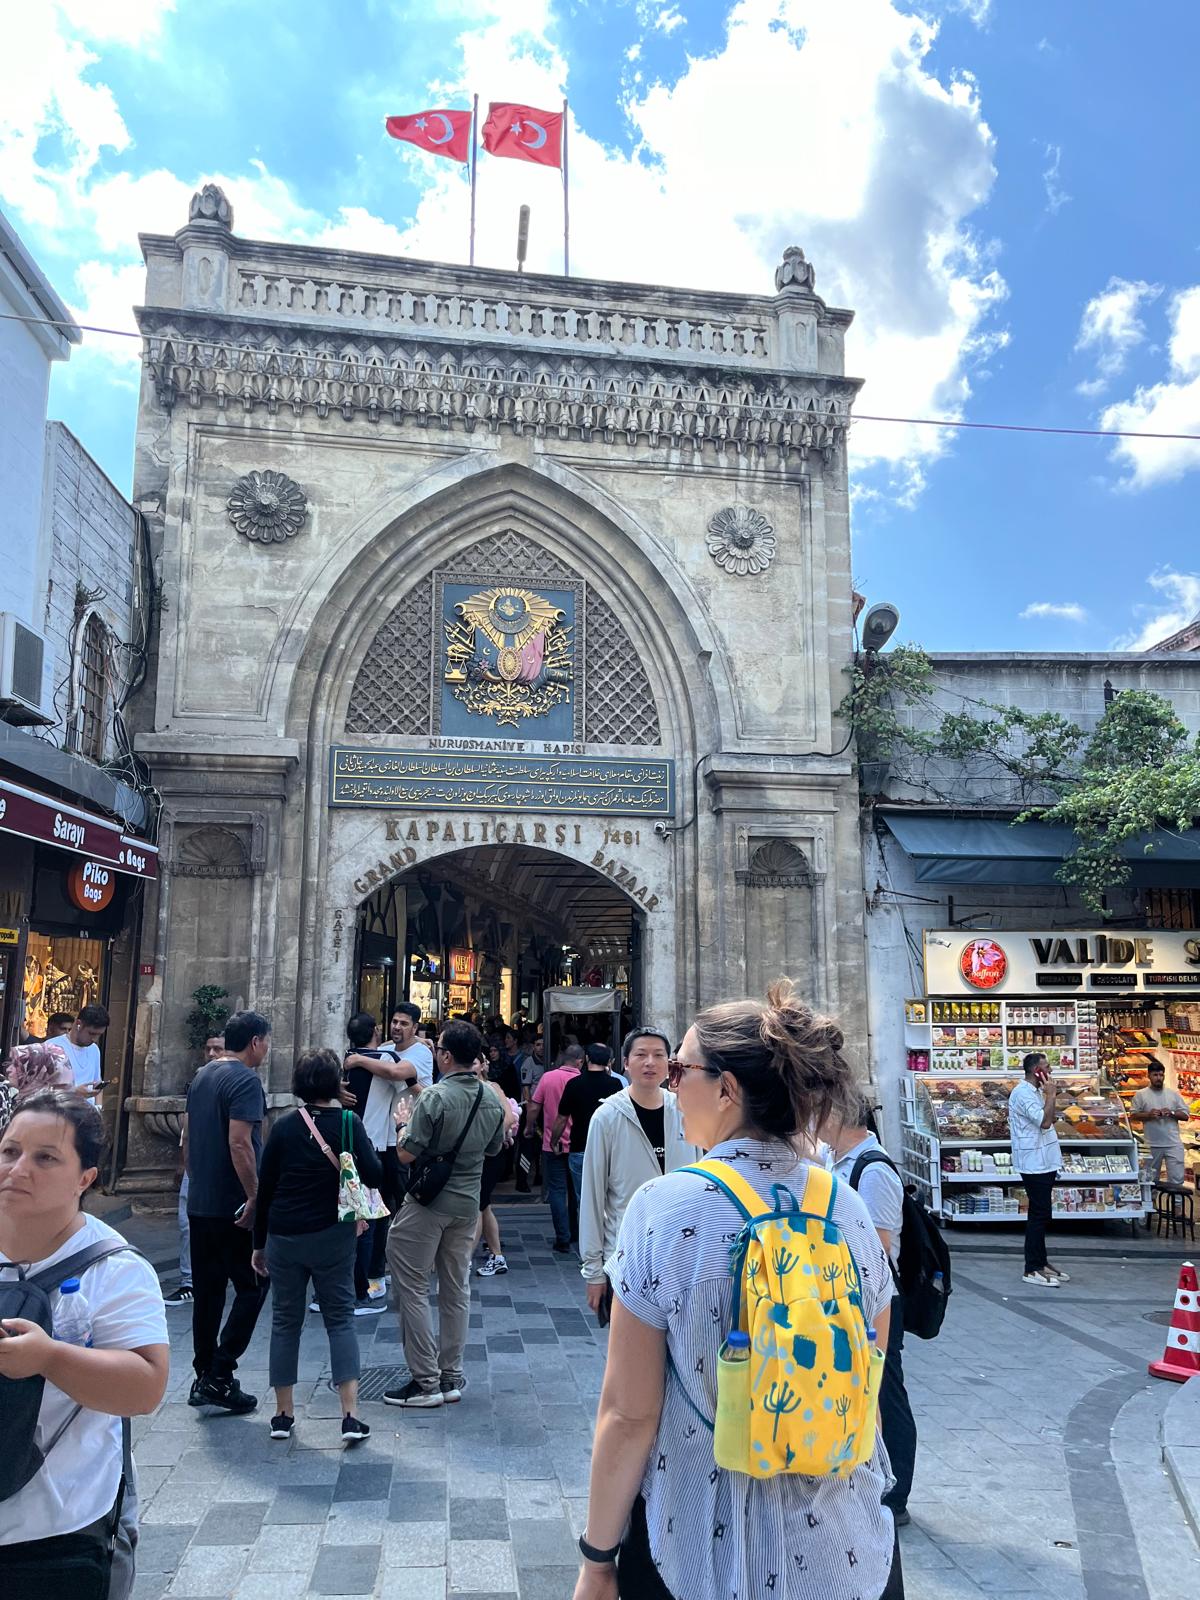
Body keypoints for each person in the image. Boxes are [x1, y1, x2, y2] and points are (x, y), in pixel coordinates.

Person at [572, 983, 899, 1600]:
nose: (672, 1087)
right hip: (849, 1552)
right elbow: (867, 1384)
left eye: (680, 1071)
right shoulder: (848, 1209)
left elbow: (629, 1414)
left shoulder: (663, 1210)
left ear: (726, 1089)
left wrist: (597, 1559)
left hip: (702, 1553)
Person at [0, 1089, 169, 1598]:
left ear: (85, 1178)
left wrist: (48, 1357)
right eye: (10, 1151)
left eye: (45, 1158)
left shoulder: (115, 1271)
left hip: (56, 1533)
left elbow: (145, 1387)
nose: (18, 1169)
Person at [251, 1049, 380, 1444]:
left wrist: (258, 1244)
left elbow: (265, 1189)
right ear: (335, 1084)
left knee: (285, 1321)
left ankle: (282, 1414)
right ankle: (350, 1415)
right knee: (340, 1319)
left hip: (284, 1235)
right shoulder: (348, 1123)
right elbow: (375, 1174)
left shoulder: (284, 1127)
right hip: (332, 1234)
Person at [385, 1020, 506, 1408]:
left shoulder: (435, 1097)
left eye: (437, 1048)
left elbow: (406, 1153)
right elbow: (494, 1149)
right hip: (467, 1204)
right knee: (456, 1289)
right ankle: (451, 1374)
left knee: (412, 1285)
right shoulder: (491, 1097)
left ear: (447, 1056)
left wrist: (402, 1126)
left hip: (428, 1202)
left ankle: (425, 1381)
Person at [825, 1095, 916, 1527]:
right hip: (847, 1295)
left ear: (838, 1115)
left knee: (885, 1391)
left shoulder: (874, 1169)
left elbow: (877, 1246)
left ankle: (896, 1493)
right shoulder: (837, 1161)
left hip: (876, 1299)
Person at [185, 1009, 271, 1411]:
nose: (267, 1049)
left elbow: (188, 1136)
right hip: (231, 1205)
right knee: (255, 1285)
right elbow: (240, 1142)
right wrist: (254, 1197)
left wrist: (196, 1177)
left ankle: (203, 1373)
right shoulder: (245, 1080)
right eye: (266, 1041)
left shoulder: (203, 1076)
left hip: (202, 1201)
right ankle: (219, 1374)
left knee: (208, 1292)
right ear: (255, 1041)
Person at [578, 1029, 695, 1324]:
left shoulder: (686, 1112)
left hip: (681, 1257)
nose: (650, 1062)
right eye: (641, 1055)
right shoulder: (607, 1117)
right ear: (625, 1063)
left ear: (670, 1064)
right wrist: (593, 1271)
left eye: (658, 1055)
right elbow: (592, 1198)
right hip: (627, 1257)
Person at [164, 1031, 226, 1308]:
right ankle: (190, 1280)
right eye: (208, 1048)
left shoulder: (239, 1082)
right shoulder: (199, 1080)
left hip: (222, 1164)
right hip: (197, 1163)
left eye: (218, 1049)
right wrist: (184, 1162)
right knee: (187, 1223)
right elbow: (187, 1127)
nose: (211, 1054)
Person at [1008, 1052, 1070, 1288]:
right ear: (1037, 1071)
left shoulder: (1034, 1092)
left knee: (1042, 1213)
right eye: (1047, 1067)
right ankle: (1032, 1267)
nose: (1051, 1071)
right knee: (1038, 1214)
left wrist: (1048, 1096)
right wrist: (1051, 1095)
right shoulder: (1023, 1093)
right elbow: (1044, 1122)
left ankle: (1041, 1262)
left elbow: (1047, 1119)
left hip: (1044, 1160)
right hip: (1034, 1162)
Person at [553, 1043, 624, 1215]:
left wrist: (554, 1141)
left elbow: (562, 1118)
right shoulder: (615, 1085)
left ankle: (586, 1231)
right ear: (609, 1061)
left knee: (583, 1199)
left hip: (580, 1146)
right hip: (608, 1149)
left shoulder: (574, 1084)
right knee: (609, 1199)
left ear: (586, 1059)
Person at [531, 1044, 584, 1252]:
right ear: (580, 1061)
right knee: (576, 1191)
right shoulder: (582, 1081)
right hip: (578, 1144)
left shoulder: (548, 1078)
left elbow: (534, 1106)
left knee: (557, 1190)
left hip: (553, 1143)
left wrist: (528, 1127)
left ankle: (562, 1236)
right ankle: (575, 1231)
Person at [471, 1053, 519, 1276]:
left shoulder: (492, 1087)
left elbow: (509, 1118)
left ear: (482, 1066)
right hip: (477, 1156)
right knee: (484, 1206)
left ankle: (465, 1260)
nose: (470, 1067)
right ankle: (497, 1256)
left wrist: (488, 1141)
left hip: (489, 1156)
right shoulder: (461, 1087)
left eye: (474, 1062)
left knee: (478, 1206)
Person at [1130, 1061, 1191, 1188]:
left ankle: (1176, 1201)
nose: (1158, 1078)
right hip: (1151, 1144)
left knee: (1177, 1180)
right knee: (1150, 1180)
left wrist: (1172, 1113)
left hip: (1173, 1144)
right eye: (1155, 1075)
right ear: (1149, 1076)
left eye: (1161, 1075)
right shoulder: (1141, 1095)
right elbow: (1133, 1116)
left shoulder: (1173, 1094)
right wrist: (1149, 1115)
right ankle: (1151, 1200)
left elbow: (1185, 1116)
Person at [54, 1005, 110, 1102]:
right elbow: (38, 1091)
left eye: (99, 1035)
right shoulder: (52, 1047)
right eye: (91, 1033)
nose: (95, 1039)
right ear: (78, 1024)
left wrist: (99, 1107)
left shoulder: (94, 1049)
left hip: (89, 1110)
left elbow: (97, 1083)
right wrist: (73, 1092)